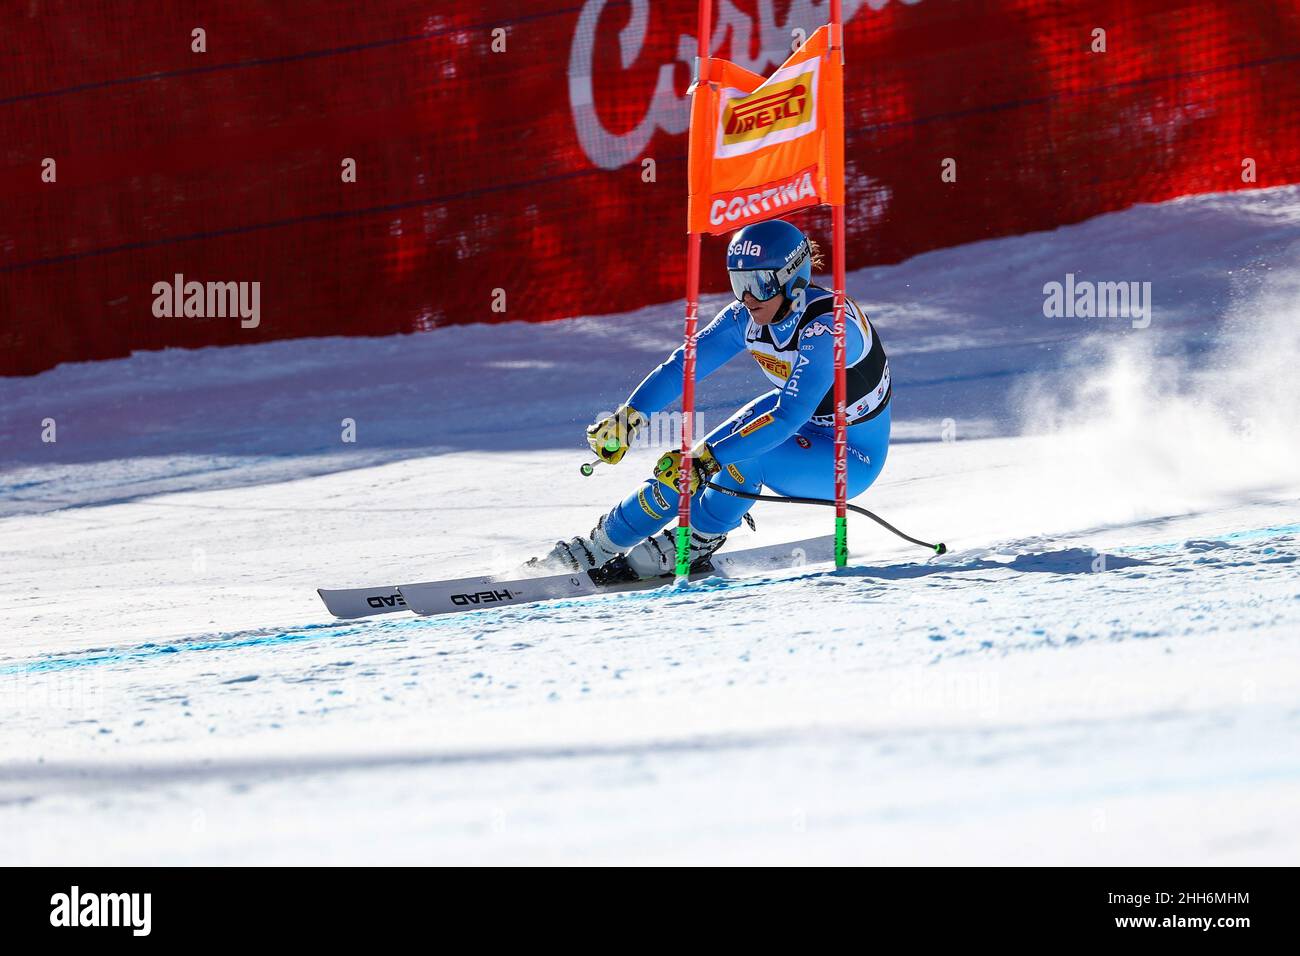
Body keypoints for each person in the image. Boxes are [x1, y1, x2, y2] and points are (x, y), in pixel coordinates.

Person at [530, 218, 892, 579]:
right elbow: (681, 368)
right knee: (686, 466)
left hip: (848, 457)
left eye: (759, 284)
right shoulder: (744, 317)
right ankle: (599, 545)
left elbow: (788, 417)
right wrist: (630, 418)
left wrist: (707, 463)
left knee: (737, 457)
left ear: (792, 278)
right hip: (799, 421)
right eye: (739, 283)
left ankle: (700, 539)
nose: (748, 298)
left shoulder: (827, 327)